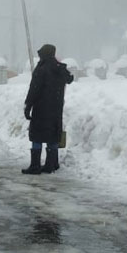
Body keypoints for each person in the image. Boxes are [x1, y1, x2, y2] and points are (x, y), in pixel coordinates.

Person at [22, 44, 74, 175]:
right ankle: (51, 165)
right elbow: (70, 79)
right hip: (56, 109)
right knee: (52, 137)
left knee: (37, 137)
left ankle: (35, 166)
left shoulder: (41, 69)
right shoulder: (59, 69)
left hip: (41, 109)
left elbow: (34, 89)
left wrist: (28, 105)